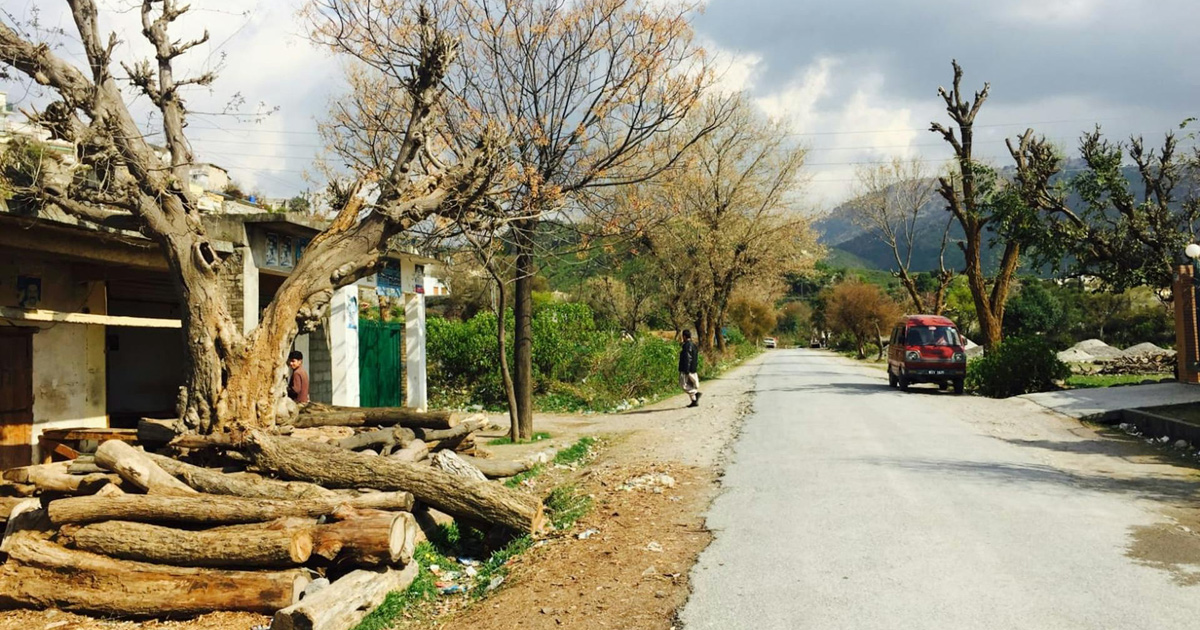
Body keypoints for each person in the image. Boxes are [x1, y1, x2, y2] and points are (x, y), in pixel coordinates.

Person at [679, 330, 701, 408]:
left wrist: (686, 370)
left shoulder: (687, 345)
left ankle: (695, 394)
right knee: (690, 385)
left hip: (686, 369)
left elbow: (687, 358)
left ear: (684, 336)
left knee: (683, 385)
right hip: (693, 368)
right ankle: (694, 401)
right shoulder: (694, 345)